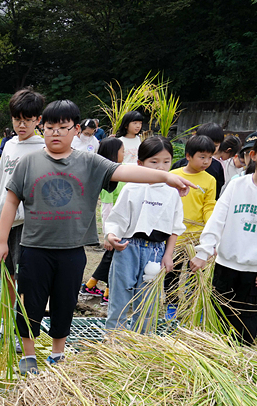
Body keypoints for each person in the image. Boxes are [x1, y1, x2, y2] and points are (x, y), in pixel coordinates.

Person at [0, 99, 194, 374]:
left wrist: (165, 177)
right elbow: (11, 202)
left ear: (76, 130)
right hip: (34, 248)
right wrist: (2, 241)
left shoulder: (89, 162)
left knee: (64, 304)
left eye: (62, 127)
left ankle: (57, 354)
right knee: (29, 305)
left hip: (72, 249)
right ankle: (29, 357)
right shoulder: (29, 162)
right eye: (49, 127)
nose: (54, 132)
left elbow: (125, 171)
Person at [191, 132, 257, 345]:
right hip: (225, 264)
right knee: (219, 319)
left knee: (246, 323)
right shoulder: (237, 185)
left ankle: (240, 363)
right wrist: (204, 251)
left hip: (255, 271)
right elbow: (217, 220)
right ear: (254, 155)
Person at [0, 88, 46, 346]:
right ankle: (5, 329)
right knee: (7, 280)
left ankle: (23, 334)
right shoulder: (8, 146)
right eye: (16, 119)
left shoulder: (42, 148)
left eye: (27, 119)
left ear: (38, 120)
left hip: (30, 226)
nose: (21, 124)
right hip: (5, 226)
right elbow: (0, 184)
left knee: (26, 282)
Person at [103, 136, 186, 332]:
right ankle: (114, 340)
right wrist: (111, 235)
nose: (160, 168)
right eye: (154, 162)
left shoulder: (172, 192)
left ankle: (141, 341)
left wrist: (168, 254)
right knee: (120, 297)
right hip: (128, 248)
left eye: (166, 162)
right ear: (140, 164)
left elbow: (175, 227)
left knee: (148, 300)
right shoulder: (132, 187)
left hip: (156, 252)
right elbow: (117, 218)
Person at [164, 134, 218, 313]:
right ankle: (172, 304)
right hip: (175, 235)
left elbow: (209, 207)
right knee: (172, 272)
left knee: (194, 272)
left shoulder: (210, 180)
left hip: (197, 237)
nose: (206, 161)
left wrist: (211, 231)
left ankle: (189, 306)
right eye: (202, 157)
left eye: (210, 157)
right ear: (188, 156)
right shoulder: (173, 176)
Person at [81, 138, 126, 303]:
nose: (125, 153)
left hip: (123, 224)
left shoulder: (122, 172)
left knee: (112, 257)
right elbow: (106, 207)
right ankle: (106, 292)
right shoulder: (108, 176)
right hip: (115, 227)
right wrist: (108, 233)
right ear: (114, 153)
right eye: (122, 151)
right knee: (113, 258)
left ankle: (93, 285)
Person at [173, 122, 226, 197]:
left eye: (215, 146)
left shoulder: (217, 167)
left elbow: (215, 195)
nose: (210, 148)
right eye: (202, 157)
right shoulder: (179, 166)